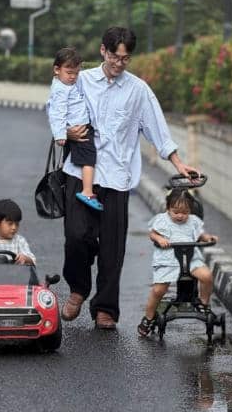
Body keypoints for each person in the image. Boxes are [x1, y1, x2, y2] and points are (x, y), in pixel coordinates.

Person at [60, 27, 200, 329]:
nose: (119, 63)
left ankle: (105, 307)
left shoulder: (138, 90)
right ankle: (78, 289)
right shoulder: (81, 82)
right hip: (80, 172)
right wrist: (66, 131)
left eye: (125, 59)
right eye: (114, 56)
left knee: (113, 248)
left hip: (117, 178)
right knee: (76, 237)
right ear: (102, 51)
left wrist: (178, 163)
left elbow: (157, 130)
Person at [138, 188, 218, 337]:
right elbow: (152, 234)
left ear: (190, 211)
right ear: (168, 208)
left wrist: (207, 238)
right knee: (158, 290)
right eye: (176, 212)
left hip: (190, 259)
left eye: (185, 212)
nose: (180, 216)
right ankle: (148, 317)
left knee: (206, 276)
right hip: (168, 259)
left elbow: (201, 234)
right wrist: (159, 239)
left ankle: (204, 303)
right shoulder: (162, 220)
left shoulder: (193, 221)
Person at [46, 47, 101, 210]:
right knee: (89, 158)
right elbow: (57, 113)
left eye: (76, 73)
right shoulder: (60, 90)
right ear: (57, 69)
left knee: (75, 160)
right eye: (69, 72)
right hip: (78, 131)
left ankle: (78, 186)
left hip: (79, 128)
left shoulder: (66, 84)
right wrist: (60, 134)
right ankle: (87, 191)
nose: (73, 77)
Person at [0, 199, 36, 264]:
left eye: (17, 224)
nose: (14, 227)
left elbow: (32, 261)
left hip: (16, 273)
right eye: (10, 224)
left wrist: (25, 258)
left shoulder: (20, 241)